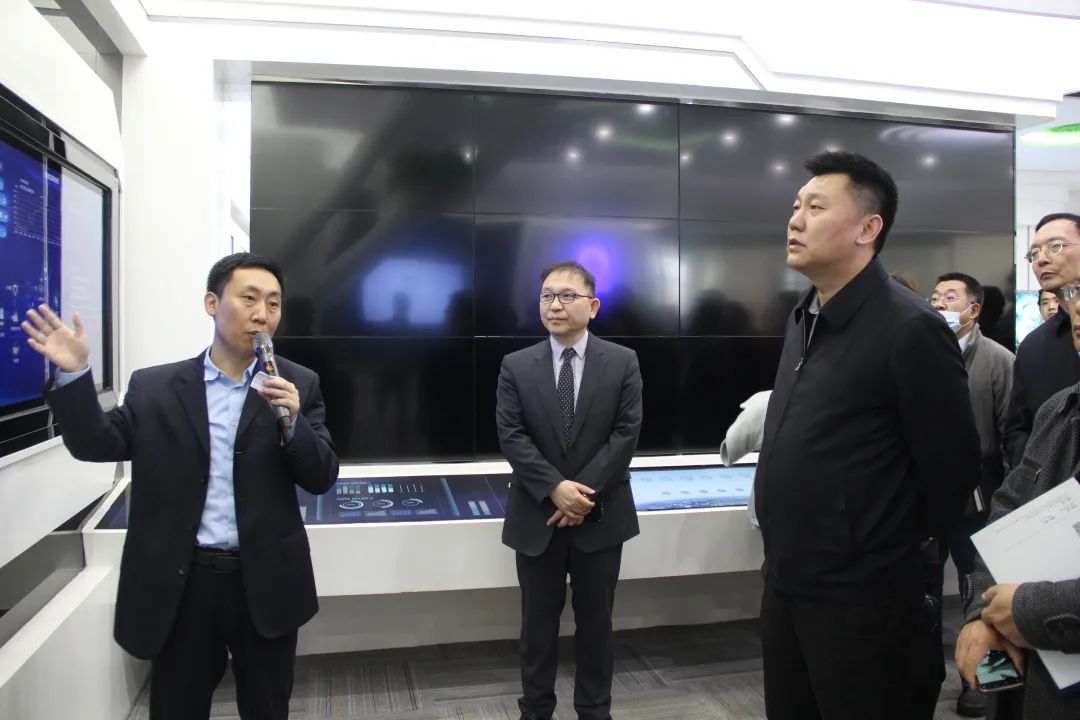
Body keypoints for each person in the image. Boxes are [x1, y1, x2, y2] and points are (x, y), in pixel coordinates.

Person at [20, 253, 339, 719]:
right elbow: (95, 443)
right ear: (212, 303)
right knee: (176, 707)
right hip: (183, 582)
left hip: (265, 579)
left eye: (273, 304)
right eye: (249, 299)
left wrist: (294, 423)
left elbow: (321, 475)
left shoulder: (299, 384)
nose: (262, 314)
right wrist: (74, 376)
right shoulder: (156, 387)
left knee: (268, 707)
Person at [753, 151, 981, 720]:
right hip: (787, 582)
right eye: (796, 206)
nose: (795, 220)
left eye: (815, 207)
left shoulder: (911, 328)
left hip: (865, 600)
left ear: (867, 227)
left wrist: (868, 544)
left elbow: (950, 472)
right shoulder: (804, 315)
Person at [496, 260, 643, 720]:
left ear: (593, 306)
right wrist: (554, 488)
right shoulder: (516, 365)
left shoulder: (622, 361)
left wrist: (580, 495)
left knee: (596, 626)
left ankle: (595, 711)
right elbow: (512, 436)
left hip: (601, 517)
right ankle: (535, 710)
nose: (554, 305)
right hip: (537, 515)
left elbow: (626, 434)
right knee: (536, 629)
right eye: (547, 296)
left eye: (566, 296)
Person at [955, 276, 1080, 720]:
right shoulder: (1059, 411)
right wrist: (982, 613)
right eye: (1075, 293)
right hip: (1032, 680)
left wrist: (1024, 610)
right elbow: (1008, 514)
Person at [929, 272, 1015, 716]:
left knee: (982, 591)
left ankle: (982, 683)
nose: (939, 304)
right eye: (935, 297)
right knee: (921, 587)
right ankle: (923, 676)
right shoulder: (920, 353)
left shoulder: (999, 360)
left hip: (979, 495)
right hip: (925, 493)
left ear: (973, 309)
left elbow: (1011, 433)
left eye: (950, 297)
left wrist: (1007, 502)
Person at [1002, 213, 1080, 467]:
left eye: (1055, 246)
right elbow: (1018, 428)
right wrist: (1036, 476)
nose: (1042, 259)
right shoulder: (1033, 346)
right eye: (1034, 254)